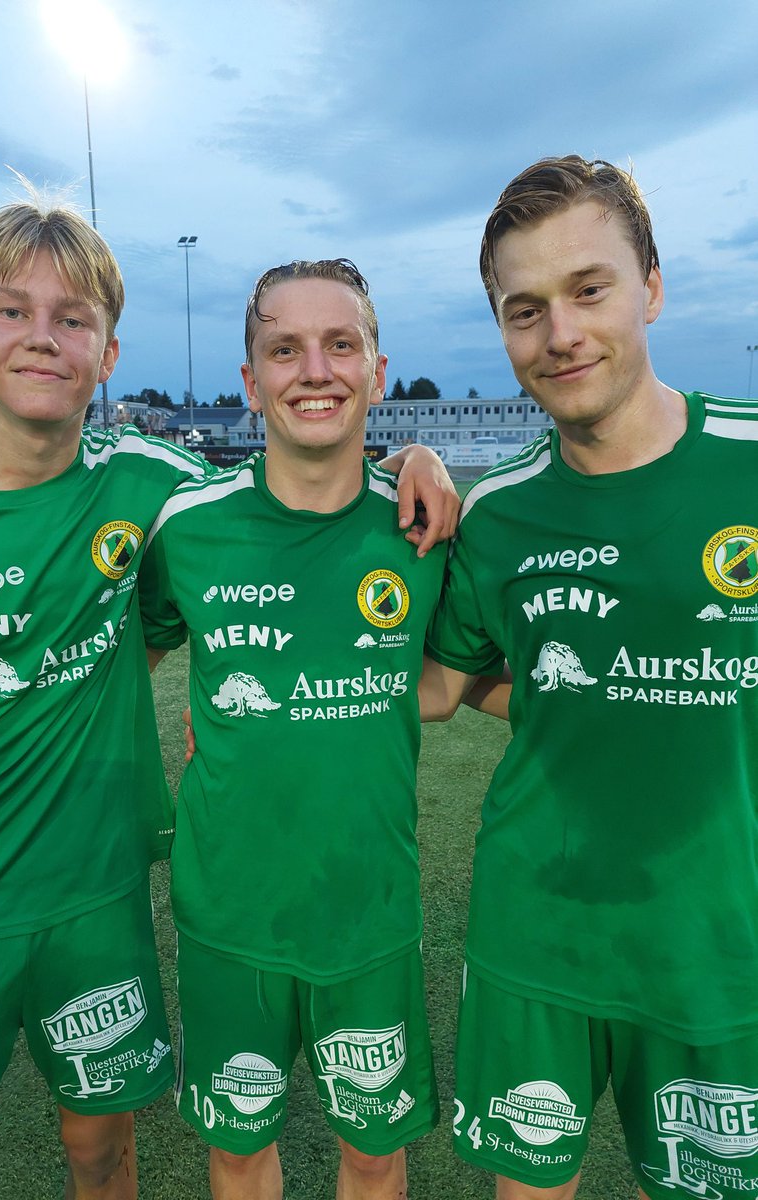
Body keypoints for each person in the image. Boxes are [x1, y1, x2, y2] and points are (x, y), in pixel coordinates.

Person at [0, 189, 455, 1200]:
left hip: (111, 899)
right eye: (13, 312)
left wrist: (417, 455)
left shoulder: (157, 486)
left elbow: (310, 503)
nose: (42, 340)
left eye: (73, 319)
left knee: (105, 1150)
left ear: (109, 352)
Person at [420, 156, 758, 1199]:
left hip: (721, 945)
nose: (559, 333)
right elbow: (442, 681)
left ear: (652, 286)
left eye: (589, 289)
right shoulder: (501, 511)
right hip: (541, 937)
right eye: (525, 310)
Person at [136, 259, 502, 1200]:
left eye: (341, 344)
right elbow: (118, 663)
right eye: (285, 349)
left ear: (378, 370)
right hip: (227, 917)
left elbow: (440, 683)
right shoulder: (186, 528)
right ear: (251, 382)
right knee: (238, 1150)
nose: (316, 369)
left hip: (368, 914)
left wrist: (415, 458)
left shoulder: (427, 529)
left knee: (375, 1154)